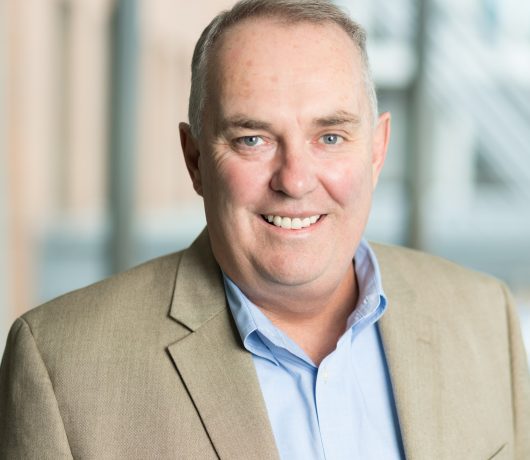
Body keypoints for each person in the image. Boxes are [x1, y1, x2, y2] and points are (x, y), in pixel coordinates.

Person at [1, 0, 529, 458]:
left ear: (377, 150)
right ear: (194, 160)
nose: (295, 181)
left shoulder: (486, 318)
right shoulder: (63, 369)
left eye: (330, 137)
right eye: (253, 139)